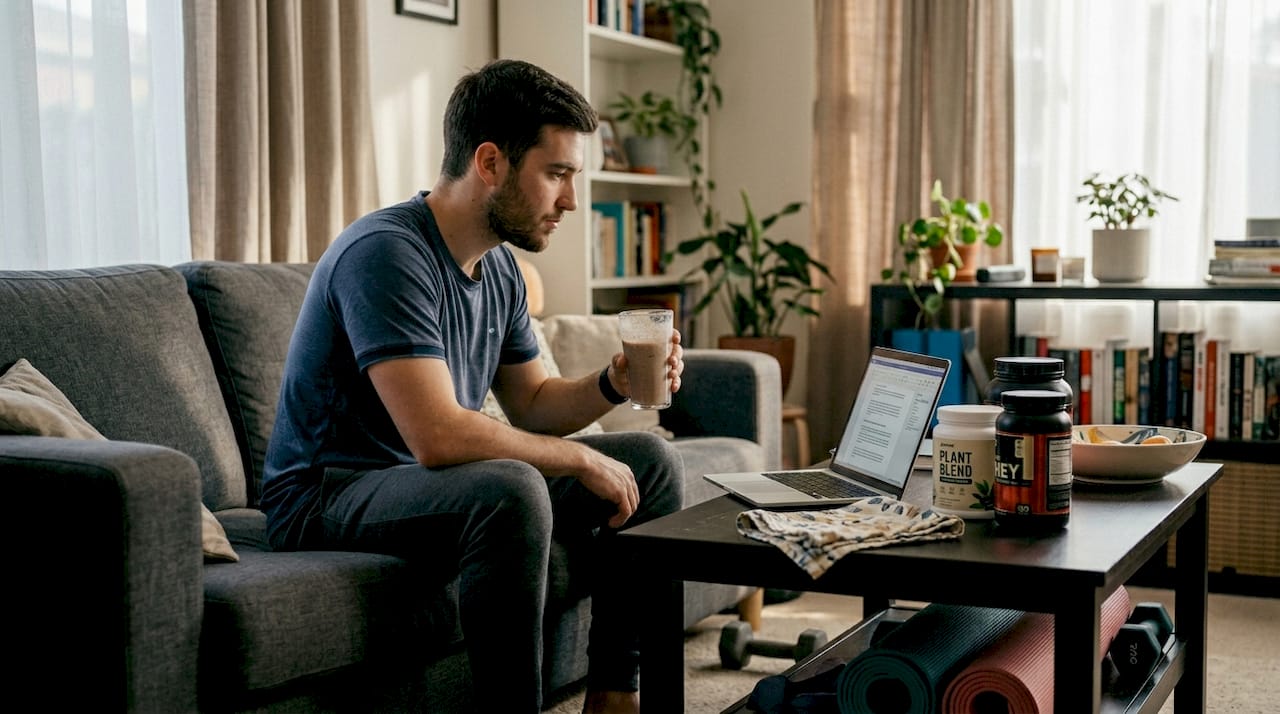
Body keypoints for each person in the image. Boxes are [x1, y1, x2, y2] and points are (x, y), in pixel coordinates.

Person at [260, 59, 685, 714]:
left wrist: (611, 383)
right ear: (490, 162)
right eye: (557, 174)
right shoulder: (386, 253)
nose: (571, 200)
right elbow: (436, 436)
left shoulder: (501, 271)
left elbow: (534, 404)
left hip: (419, 487)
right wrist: (580, 457)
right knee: (508, 488)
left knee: (650, 463)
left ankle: (614, 698)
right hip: (327, 491)